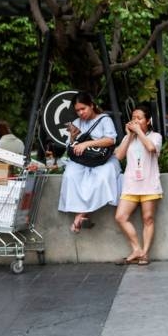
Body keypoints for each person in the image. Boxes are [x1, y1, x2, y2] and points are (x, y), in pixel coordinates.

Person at [57, 92, 122, 233]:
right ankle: (82, 215)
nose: (81, 113)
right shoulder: (77, 122)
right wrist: (73, 137)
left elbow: (111, 140)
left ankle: (80, 215)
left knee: (102, 176)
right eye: (78, 110)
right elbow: (70, 145)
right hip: (83, 159)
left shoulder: (104, 119)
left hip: (102, 159)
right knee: (70, 175)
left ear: (91, 105)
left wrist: (86, 144)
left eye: (83, 108)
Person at [113, 104, 162, 265]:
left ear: (148, 121)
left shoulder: (155, 136)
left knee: (148, 218)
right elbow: (119, 156)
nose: (135, 121)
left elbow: (150, 148)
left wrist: (139, 132)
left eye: (139, 118)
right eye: (133, 118)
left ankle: (145, 254)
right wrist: (129, 136)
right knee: (121, 217)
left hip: (149, 184)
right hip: (131, 184)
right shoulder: (128, 138)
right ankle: (137, 249)